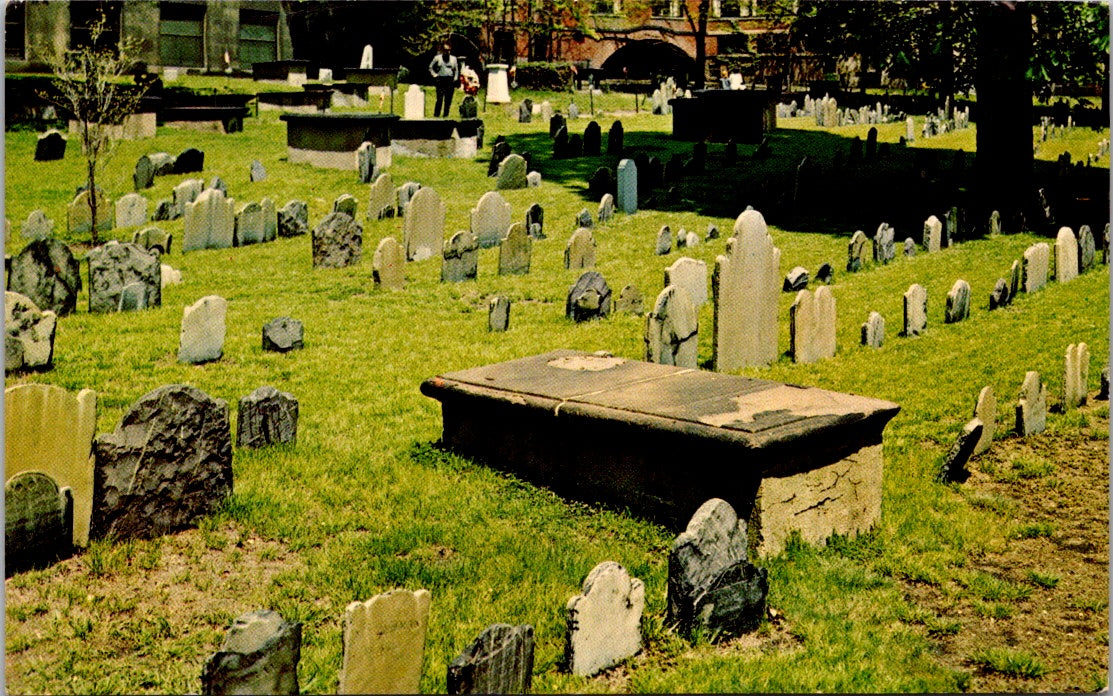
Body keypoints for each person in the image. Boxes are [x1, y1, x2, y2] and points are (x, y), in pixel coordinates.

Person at [429, 42, 459, 118]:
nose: (447, 52)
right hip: (440, 80)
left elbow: (456, 70)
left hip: (449, 80)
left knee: (448, 100)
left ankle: (446, 115)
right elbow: (430, 67)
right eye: (445, 50)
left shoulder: (453, 59)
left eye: (448, 50)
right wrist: (435, 75)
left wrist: (455, 78)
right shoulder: (437, 58)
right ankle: (436, 115)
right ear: (442, 50)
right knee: (439, 99)